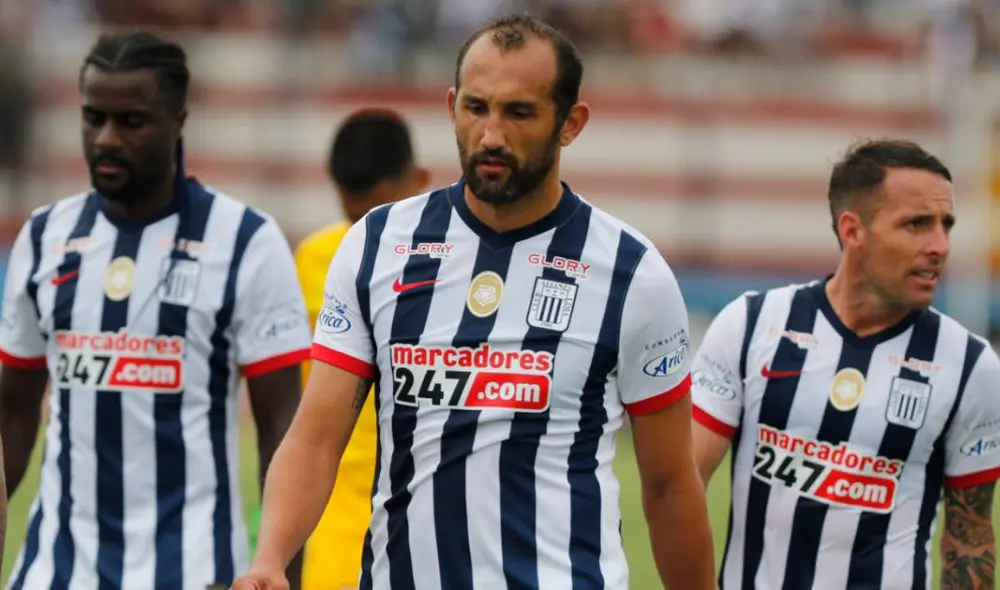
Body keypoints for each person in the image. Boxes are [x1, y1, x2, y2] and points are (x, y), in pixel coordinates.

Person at [233, 12, 716, 590]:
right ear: (451, 107)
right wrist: (270, 557)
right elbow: (315, 437)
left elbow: (668, 485)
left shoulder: (633, 274)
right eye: (476, 107)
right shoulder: (378, 243)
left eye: (519, 112)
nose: (491, 135)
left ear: (571, 123)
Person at [0, 31, 311, 590]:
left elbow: (282, 428)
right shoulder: (45, 236)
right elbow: (14, 415)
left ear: (178, 119)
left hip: (194, 573)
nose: (106, 139)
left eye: (131, 121)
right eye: (93, 118)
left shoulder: (246, 241)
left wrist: (283, 571)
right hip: (56, 572)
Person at [690, 139, 999, 590]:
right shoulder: (752, 325)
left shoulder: (972, 366)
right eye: (916, 224)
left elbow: (970, 538)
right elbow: (681, 484)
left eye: (945, 225)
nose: (939, 245)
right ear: (853, 230)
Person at [294, 109, 428, 590]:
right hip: (331, 516)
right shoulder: (313, 258)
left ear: (420, 181)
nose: (366, 230)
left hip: (420, 515)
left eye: (379, 211)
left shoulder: (450, 269)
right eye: (355, 214)